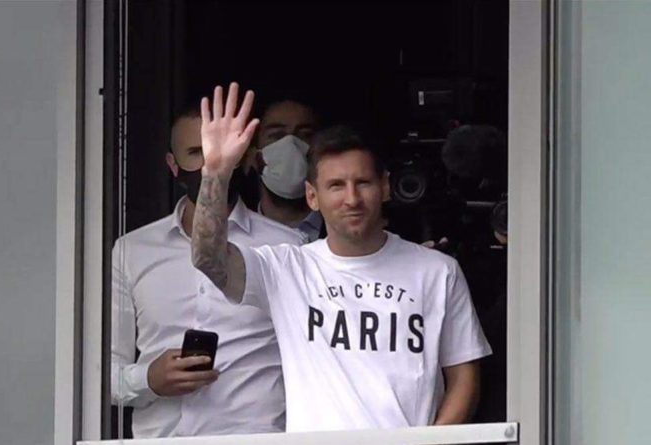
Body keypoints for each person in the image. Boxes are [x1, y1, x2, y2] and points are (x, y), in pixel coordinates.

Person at [190, 83, 492, 432]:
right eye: (335, 186)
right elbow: (207, 258)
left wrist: (431, 444)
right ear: (312, 196)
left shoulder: (438, 271)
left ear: (385, 187)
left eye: (362, 182)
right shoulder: (287, 269)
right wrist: (215, 172)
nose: (351, 198)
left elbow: (464, 376)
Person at [111, 106, 303, 438]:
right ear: (173, 165)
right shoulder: (132, 250)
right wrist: (149, 379)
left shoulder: (288, 247)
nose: (210, 163)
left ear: (242, 158)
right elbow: (97, 374)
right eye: (197, 152)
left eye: (219, 151)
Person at [253, 99, 324, 241]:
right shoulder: (231, 238)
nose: (291, 144)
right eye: (276, 135)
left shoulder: (348, 232)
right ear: (252, 154)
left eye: (305, 135)